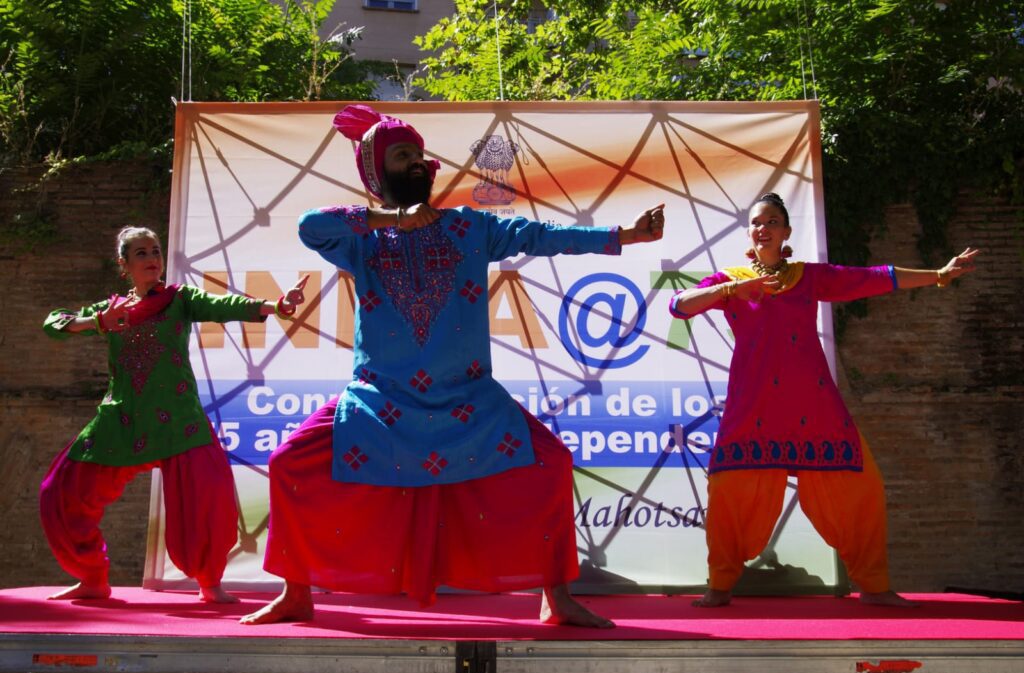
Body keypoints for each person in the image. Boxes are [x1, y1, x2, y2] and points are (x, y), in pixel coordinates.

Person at [240, 104, 665, 627]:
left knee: (550, 463)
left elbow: (541, 237)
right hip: (379, 401)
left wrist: (623, 237)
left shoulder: (469, 228)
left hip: (469, 399)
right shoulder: (360, 240)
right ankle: (296, 592)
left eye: (420, 154)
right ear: (378, 174)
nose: (418, 162)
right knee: (289, 463)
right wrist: (390, 220)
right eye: (402, 155)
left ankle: (557, 598)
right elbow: (310, 226)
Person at [670, 192, 979, 608]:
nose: (764, 228)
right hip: (753, 405)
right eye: (757, 222)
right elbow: (678, 306)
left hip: (812, 402)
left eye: (773, 221)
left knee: (862, 487)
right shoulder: (732, 279)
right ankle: (719, 585)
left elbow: (871, 277)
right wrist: (733, 289)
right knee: (728, 490)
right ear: (750, 231)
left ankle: (874, 586)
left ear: (786, 232)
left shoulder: (806, 276)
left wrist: (938, 274)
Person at [41, 225, 307, 603]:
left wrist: (275, 306)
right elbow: (54, 324)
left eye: (155, 251)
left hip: (179, 420)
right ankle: (92, 578)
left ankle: (209, 582)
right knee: (59, 492)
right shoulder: (110, 309)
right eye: (142, 254)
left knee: (207, 500)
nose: (152, 259)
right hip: (123, 419)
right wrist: (96, 323)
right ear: (124, 266)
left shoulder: (178, 299)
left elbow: (225, 305)